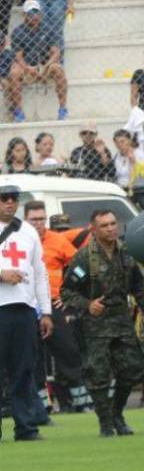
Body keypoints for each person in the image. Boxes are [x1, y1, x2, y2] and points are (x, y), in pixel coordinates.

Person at [60, 209, 144, 437]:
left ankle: (116, 413)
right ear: (94, 229)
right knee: (98, 375)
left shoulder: (127, 253)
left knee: (132, 369)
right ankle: (106, 423)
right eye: (104, 225)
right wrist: (87, 304)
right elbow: (66, 291)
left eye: (113, 223)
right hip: (95, 325)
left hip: (122, 321)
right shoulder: (83, 258)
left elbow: (139, 284)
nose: (111, 228)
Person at [24, 200, 88, 414]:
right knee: (32, 357)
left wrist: (69, 292)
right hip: (27, 304)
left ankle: (81, 402)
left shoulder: (57, 241)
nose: (38, 223)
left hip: (53, 303)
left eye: (42, 219)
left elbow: (81, 267)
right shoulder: (19, 240)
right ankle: (42, 406)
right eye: (34, 219)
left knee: (68, 351)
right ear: (26, 219)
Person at [0, 183, 52, 441]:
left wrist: (46, 311)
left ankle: (26, 426)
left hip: (24, 309)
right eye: (4, 198)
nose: (9, 203)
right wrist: (1, 275)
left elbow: (40, 273)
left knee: (23, 370)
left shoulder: (28, 231)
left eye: (13, 198)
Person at [7, 0, 67, 122]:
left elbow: (56, 52)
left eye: (36, 13)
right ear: (24, 15)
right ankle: (18, 111)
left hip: (45, 65)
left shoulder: (49, 28)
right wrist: (28, 68)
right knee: (14, 73)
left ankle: (62, 108)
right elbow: (18, 56)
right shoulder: (18, 32)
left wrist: (46, 66)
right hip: (27, 67)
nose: (34, 16)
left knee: (58, 69)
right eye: (30, 14)